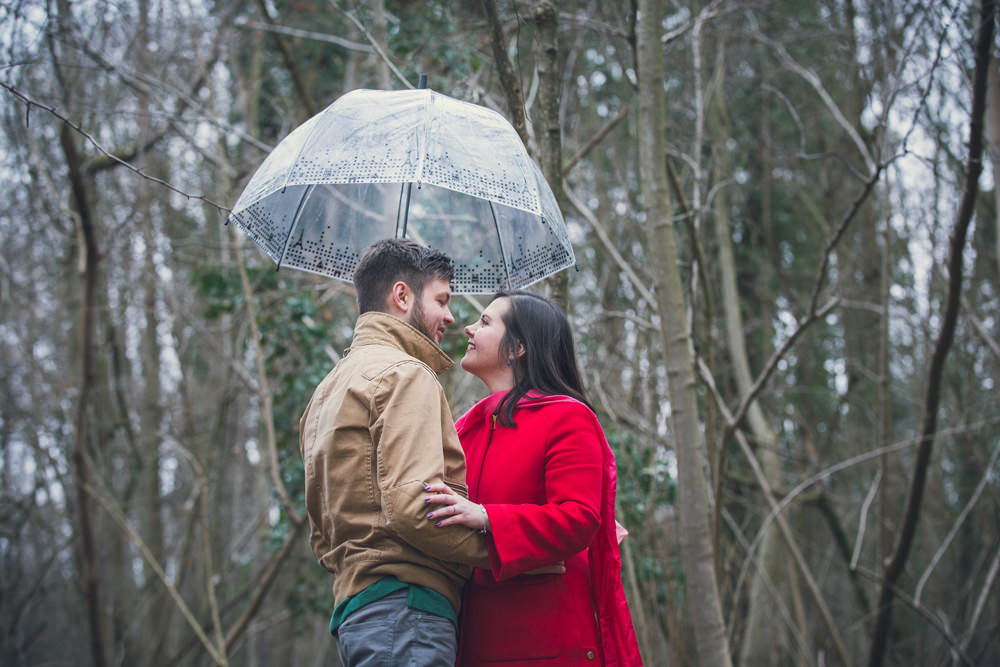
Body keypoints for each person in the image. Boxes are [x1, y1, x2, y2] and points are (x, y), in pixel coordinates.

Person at [424, 290, 643, 666]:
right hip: (470, 641)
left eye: (486, 322)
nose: (468, 328)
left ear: (517, 348)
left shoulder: (567, 418)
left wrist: (488, 518)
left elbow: (579, 517)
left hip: (546, 648)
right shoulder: (463, 430)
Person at [299, 239, 490, 667]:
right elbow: (414, 509)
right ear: (402, 296)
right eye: (442, 300)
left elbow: (321, 535)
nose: (451, 316)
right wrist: (501, 551)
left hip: (358, 612)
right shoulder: (406, 376)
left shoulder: (325, 391)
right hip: (408, 611)